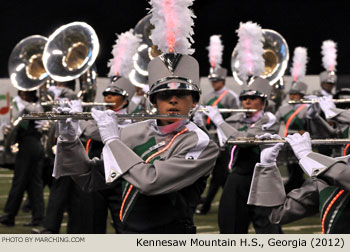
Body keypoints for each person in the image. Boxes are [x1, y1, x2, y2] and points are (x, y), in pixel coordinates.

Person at [52, 0, 219, 233]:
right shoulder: (134, 132)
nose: (173, 100)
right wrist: (69, 139)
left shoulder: (201, 143)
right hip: (129, 232)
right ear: (154, 101)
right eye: (165, 95)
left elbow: (151, 181)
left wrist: (112, 140)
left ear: (194, 101)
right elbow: (90, 177)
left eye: (181, 94)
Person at [204, 77, 282, 234]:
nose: (247, 102)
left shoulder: (269, 119)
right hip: (238, 176)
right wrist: (201, 124)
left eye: (253, 98)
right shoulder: (234, 119)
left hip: (261, 177)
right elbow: (219, 142)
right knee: (230, 225)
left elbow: (243, 140)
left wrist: (219, 122)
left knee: (267, 226)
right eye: (244, 98)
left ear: (263, 101)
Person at [247, 131, 350, 233]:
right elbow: (277, 215)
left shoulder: (325, 169)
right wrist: (268, 164)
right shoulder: (324, 174)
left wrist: (307, 156)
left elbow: (341, 174)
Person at [196, 35, 239, 215]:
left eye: (217, 80)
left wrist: (223, 124)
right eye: (212, 80)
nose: (214, 83)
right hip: (210, 135)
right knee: (218, 174)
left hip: (224, 136)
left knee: (220, 173)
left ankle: (208, 205)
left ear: (223, 80)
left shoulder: (230, 96)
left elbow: (236, 115)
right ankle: (233, 200)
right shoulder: (206, 96)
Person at [0, 90, 44, 227]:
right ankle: (38, 217)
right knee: (33, 183)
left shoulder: (33, 106)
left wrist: (15, 124)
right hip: (33, 145)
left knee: (19, 181)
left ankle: (9, 215)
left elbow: (27, 123)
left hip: (29, 145)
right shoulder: (29, 106)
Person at [275, 81, 308, 193]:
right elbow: (275, 122)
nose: (292, 96)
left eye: (295, 94)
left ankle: (292, 188)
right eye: (291, 93)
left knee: (299, 167)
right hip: (287, 141)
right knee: (291, 167)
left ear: (301, 95)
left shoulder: (306, 108)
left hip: (301, 141)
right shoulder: (283, 108)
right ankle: (298, 188)